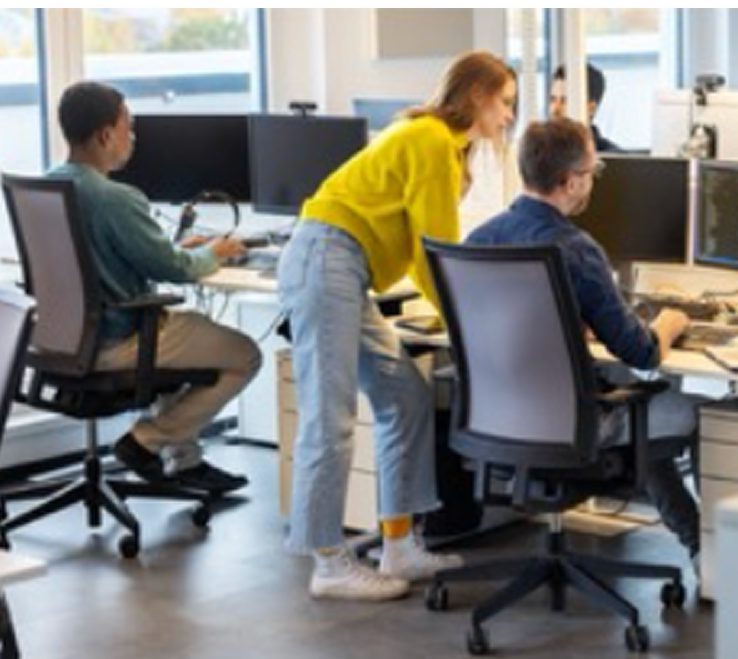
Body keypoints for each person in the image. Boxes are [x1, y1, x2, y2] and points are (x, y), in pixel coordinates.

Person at [276, 50, 517, 601]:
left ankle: (399, 544)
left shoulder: (423, 133)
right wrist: (470, 322)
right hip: (326, 260)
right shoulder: (432, 139)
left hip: (343, 267)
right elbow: (436, 254)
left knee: (405, 393)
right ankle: (329, 562)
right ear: (478, 95)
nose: (507, 116)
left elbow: (418, 252)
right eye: (504, 102)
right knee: (328, 417)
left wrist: (459, 312)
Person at [465, 117, 701, 563]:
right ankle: (707, 553)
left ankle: (699, 545)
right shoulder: (578, 251)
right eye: (593, 173)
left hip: (500, 419)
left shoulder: (480, 240)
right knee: (688, 409)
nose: (593, 181)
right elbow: (643, 352)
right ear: (570, 182)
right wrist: (671, 320)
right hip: (575, 427)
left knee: (636, 400)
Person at [47, 81, 261, 494]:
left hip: (67, 342)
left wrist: (176, 249)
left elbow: (120, 254)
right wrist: (215, 252)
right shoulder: (115, 198)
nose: (134, 137)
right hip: (119, 340)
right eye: (129, 126)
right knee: (244, 355)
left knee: (195, 332)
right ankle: (145, 441)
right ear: (106, 134)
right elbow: (176, 269)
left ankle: (184, 461)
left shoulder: (50, 183)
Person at [548, 63, 620, 153]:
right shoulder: (542, 154)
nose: (555, 109)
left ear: (590, 108)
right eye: (552, 99)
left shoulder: (613, 158)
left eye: (565, 101)